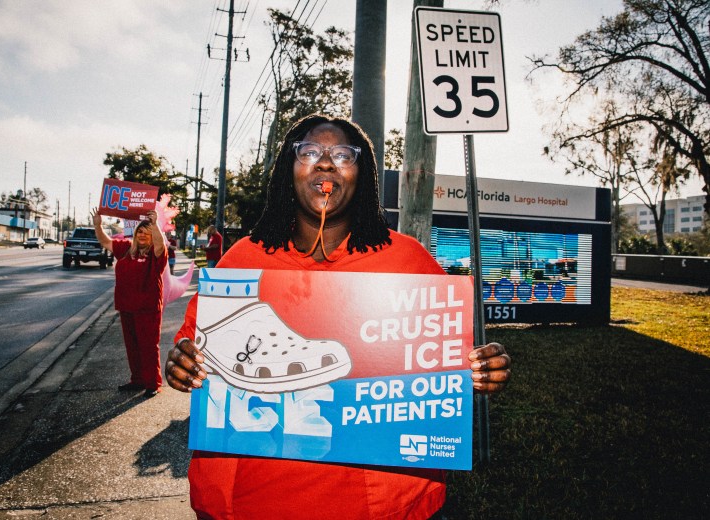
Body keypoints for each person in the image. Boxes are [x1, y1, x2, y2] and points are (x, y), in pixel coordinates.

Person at [165, 114, 511, 519]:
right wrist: (182, 364)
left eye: (342, 155)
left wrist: (480, 368)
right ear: (286, 171)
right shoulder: (242, 259)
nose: (325, 163)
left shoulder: (407, 261)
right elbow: (194, 347)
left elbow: (449, 361)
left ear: (363, 175)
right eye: (309, 151)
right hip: (249, 500)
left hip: (374, 505)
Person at [93, 208, 167, 398]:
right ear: (135, 234)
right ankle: (138, 380)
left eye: (147, 233)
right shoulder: (125, 248)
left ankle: (153, 383)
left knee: (148, 346)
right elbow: (105, 241)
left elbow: (160, 246)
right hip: (126, 306)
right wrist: (97, 224)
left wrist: (155, 224)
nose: (143, 235)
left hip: (147, 308)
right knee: (132, 346)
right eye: (140, 232)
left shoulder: (155, 254)